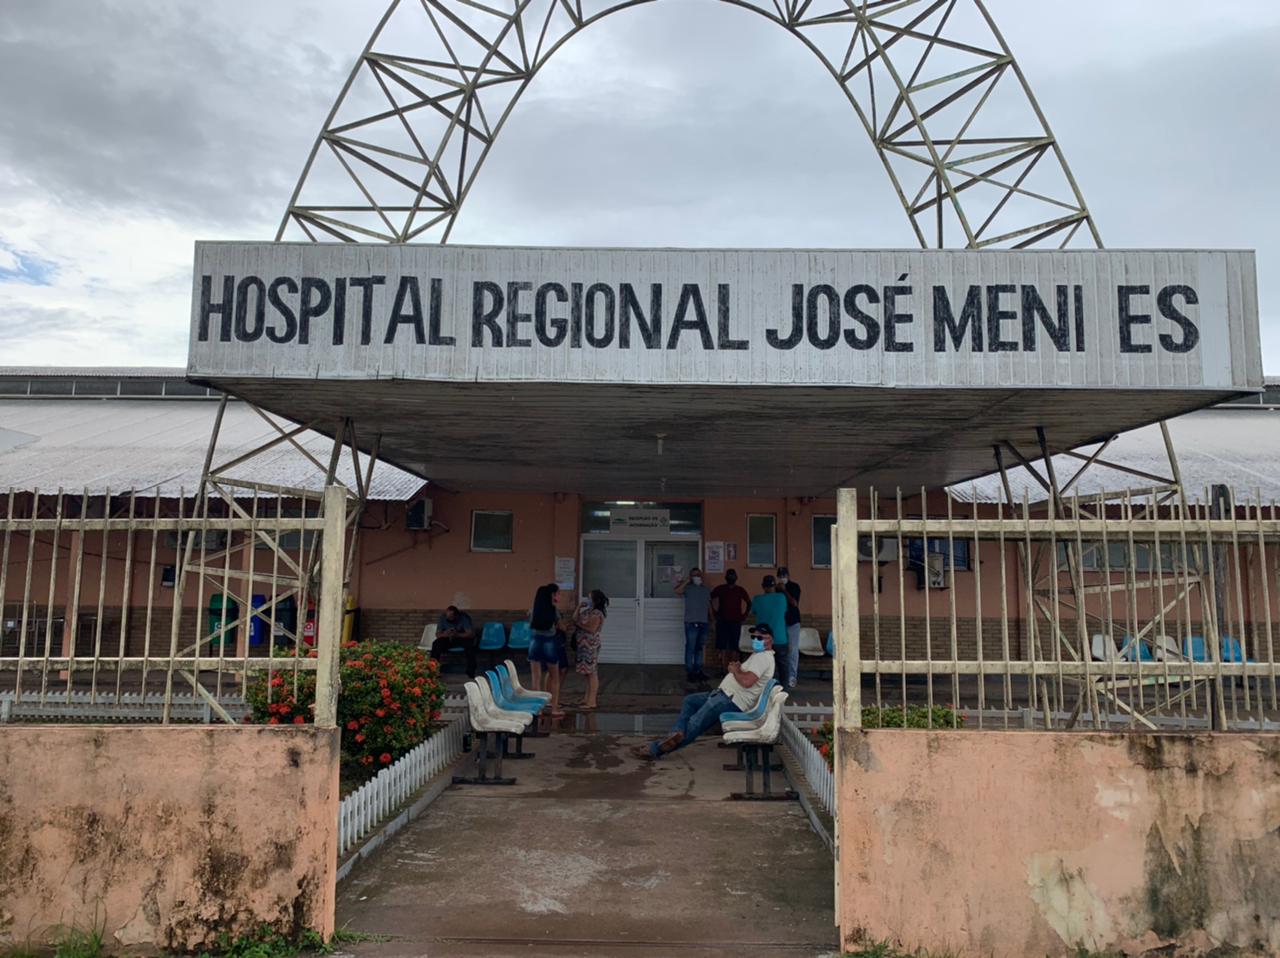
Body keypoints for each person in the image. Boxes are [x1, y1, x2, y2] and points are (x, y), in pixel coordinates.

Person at [632, 623, 776, 759]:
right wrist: (738, 669)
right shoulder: (758, 655)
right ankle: (677, 732)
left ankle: (656, 750)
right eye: (753, 637)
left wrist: (735, 670)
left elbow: (746, 682)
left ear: (770, 640)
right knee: (690, 701)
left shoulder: (763, 658)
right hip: (723, 694)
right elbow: (748, 676)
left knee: (695, 724)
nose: (755, 640)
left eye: (760, 638)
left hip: (731, 699)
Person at [528, 583, 568, 716]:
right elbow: (562, 627)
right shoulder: (553, 610)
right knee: (555, 677)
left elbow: (531, 623)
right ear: (550, 595)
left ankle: (538, 709)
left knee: (536, 678)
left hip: (534, 642)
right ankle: (554, 708)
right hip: (549, 642)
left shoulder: (533, 610)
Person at [570, 589, 608, 710]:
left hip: (590, 645)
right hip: (582, 645)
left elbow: (591, 628)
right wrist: (579, 607)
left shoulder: (597, 613)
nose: (587, 600)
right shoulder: (587, 611)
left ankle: (592, 701)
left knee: (591, 672)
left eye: (590, 598)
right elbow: (574, 618)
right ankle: (586, 698)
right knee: (586, 673)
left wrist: (578, 624)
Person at [674, 567, 712, 684]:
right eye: (694, 575)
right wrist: (687, 580)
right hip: (691, 623)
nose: (697, 577)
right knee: (690, 648)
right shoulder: (688, 588)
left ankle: (698, 670)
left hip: (703, 622)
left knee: (699, 648)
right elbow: (677, 591)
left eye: (698, 575)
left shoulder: (706, 589)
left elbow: (709, 605)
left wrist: (712, 620)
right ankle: (690, 672)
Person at [751, 575, 790, 686]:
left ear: (763, 586)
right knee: (782, 666)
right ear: (774, 586)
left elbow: (753, 611)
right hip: (780, 638)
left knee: (763, 667)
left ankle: (765, 689)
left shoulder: (757, 599)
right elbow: (785, 610)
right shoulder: (781, 598)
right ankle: (783, 689)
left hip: (762, 640)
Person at [710, 568, 752, 672]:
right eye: (729, 576)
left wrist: (744, 616)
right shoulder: (720, 589)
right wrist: (714, 614)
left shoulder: (740, 590)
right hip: (722, 621)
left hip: (736, 621)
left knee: (735, 647)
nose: (731, 578)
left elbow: (749, 603)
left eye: (733, 576)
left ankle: (732, 670)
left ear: (736, 578)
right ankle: (723, 669)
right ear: (726, 578)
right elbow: (709, 599)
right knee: (722, 646)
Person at [429, 605, 477, 678]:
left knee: (470, 646)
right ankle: (433, 671)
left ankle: (471, 672)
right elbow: (438, 634)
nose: (448, 619)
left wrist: (457, 634)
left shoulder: (464, 618)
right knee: (436, 644)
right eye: (447, 617)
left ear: (456, 616)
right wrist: (446, 634)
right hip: (447, 638)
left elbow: (470, 634)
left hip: (461, 637)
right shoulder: (442, 618)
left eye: (451, 617)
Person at [777, 566, 802, 689]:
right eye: (780, 576)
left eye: (784, 575)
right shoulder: (775, 589)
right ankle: (782, 676)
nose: (782, 578)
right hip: (780, 623)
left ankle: (792, 676)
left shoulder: (794, 586)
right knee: (780, 650)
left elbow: (794, 603)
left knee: (792, 650)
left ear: (788, 576)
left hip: (793, 622)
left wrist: (784, 590)